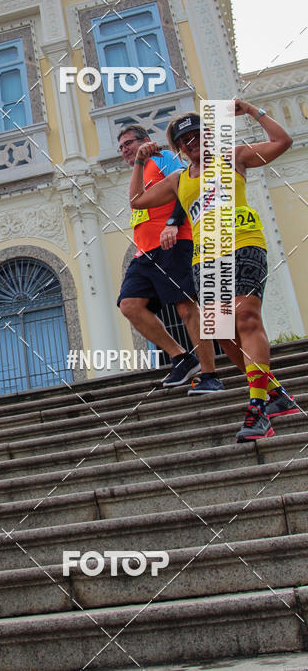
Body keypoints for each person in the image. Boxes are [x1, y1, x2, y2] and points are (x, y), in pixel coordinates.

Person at [129, 102, 300, 441]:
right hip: (205, 258)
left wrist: (251, 110)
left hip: (243, 243)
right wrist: (138, 162)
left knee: (246, 317)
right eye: (185, 140)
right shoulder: (178, 180)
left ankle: (258, 409)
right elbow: (136, 201)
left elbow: (282, 142)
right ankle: (276, 394)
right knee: (222, 333)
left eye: (197, 135)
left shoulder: (234, 157)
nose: (192, 143)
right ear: (179, 148)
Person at [117, 125, 224, 393]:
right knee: (129, 304)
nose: (124, 150)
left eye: (128, 143)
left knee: (186, 308)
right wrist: (138, 162)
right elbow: (136, 203)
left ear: (146, 141)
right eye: (121, 147)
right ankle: (182, 357)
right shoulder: (140, 170)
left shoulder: (163, 157)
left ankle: (210, 374)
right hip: (145, 252)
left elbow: (185, 186)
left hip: (173, 242)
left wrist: (174, 223)